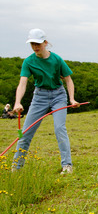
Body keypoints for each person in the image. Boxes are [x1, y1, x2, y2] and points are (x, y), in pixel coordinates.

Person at [11, 28, 79, 173]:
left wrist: (72, 99)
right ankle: (16, 168)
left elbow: (68, 80)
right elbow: (22, 83)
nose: (35, 47)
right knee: (25, 132)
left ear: (45, 43)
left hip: (58, 96)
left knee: (59, 129)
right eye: (32, 44)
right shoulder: (29, 62)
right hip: (39, 97)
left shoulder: (56, 59)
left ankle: (67, 165)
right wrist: (17, 102)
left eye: (38, 44)